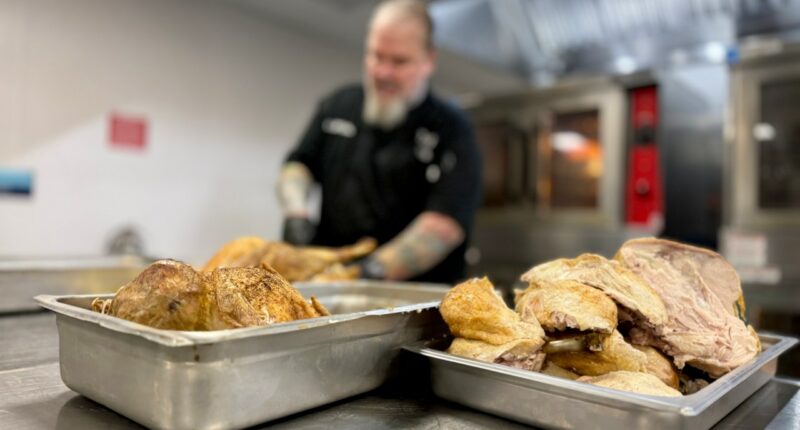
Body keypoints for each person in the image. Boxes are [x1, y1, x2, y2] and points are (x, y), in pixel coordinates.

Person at [276, 0, 482, 284]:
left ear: (428, 60)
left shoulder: (452, 128)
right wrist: (296, 214)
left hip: (412, 305)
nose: (383, 72)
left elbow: (445, 224)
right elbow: (299, 165)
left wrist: (365, 273)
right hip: (327, 292)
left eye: (399, 61)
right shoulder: (338, 105)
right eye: (376, 56)